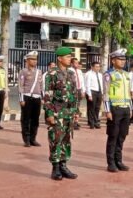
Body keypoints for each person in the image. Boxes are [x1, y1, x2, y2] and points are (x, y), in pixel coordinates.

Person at [44, 46, 79, 181]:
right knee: (55, 140)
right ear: (59, 58)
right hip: (57, 112)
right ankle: (55, 168)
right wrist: (50, 113)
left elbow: (75, 94)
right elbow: (47, 96)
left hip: (69, 112)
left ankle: (64, 166)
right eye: (67, 57)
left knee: (66, 140)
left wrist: (76, 111)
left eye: (70, 56)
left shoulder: (71, 73)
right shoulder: (51, 74)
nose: (70, 59)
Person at [103, 49, 132, 173]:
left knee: (122, 136)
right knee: (113, 136)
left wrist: (130, 108)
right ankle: (111, 163)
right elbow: (106, 93)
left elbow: (129, 92)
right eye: (120, 59)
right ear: (113, 60)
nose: (123, 62)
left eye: (124, 59)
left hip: (125, 108)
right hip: (115, 108)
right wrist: (107, 110)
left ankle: (119, 161)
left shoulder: (126, 74)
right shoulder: (109, 74)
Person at [17, 51, 44, 146]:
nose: (34, 61)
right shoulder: (23, 71)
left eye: (35, 59)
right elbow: (20, 86)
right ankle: (26, 140)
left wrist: (43, 97)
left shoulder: (39, 72)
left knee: (35, 119)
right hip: (27, 97)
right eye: (32, 59)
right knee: (26, 119)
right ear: (27, 60)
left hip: (37, 98)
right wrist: (21, 99)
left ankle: (33, 139)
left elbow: (41, 85)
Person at [84, 60, 104, 130]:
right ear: (92, 67)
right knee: (91, 108)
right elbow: (87, 85)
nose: (98, 68)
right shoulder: (88, 74)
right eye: (96, 66)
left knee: (97, 108)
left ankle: (96, 122)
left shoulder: (100, 74)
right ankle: (91, 122)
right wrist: (89, 95)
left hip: (99, 92)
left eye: (99, 67)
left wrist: (102, 93)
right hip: (92, 92)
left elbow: (101, 84)